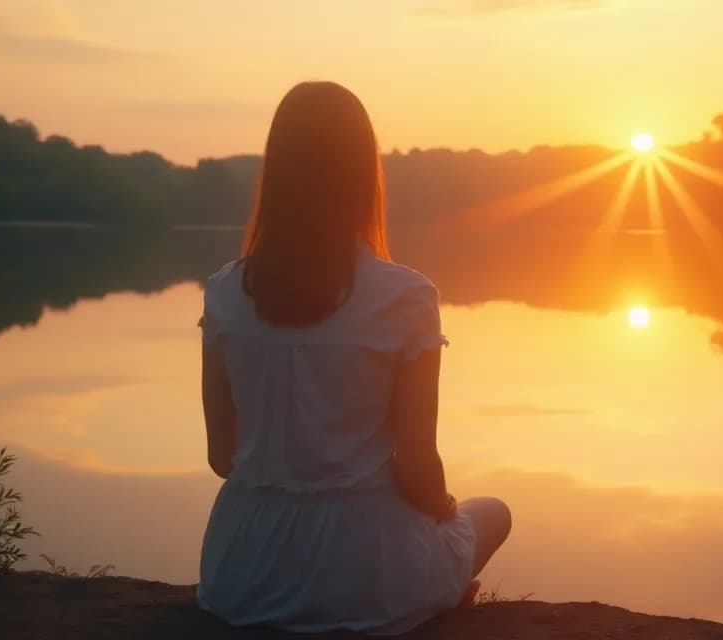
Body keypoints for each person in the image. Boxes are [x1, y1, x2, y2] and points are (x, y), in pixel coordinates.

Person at [195, 81, 511, 635]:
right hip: (366, 574)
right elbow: (417, 470)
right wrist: (442, 509)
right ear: (364, 175)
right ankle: (432, 595)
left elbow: (224, 457)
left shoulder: (224, 294)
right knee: (493, 513)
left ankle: (430, 588)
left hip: (238, 577)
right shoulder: (407, 298)